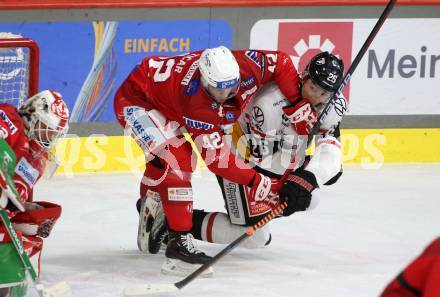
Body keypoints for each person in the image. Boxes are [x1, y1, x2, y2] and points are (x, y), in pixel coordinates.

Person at [114, 45, 306, 275]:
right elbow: (217, 160)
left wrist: (297, 105)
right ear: (204, 82)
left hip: (160, 93)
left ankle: (154, 212)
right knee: (178, 159)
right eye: (217, 89)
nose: (225, 95)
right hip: (136, 101)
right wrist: (258, 181)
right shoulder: (197, 103)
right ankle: (178, 245)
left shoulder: (247, 65)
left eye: (230, 87)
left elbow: (282, 62)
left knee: (163, 159)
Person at [149, 51, 347, 250]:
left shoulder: (331, 108)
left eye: (324, 93)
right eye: (313, 87)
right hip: (238, 159)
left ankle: (174, 221)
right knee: (256, 236)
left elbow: (331, 150)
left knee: (311, 198)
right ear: (304, 76)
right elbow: (263, 163)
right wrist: (285, 189)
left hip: (275, 158)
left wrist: (310, 176)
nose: (316, 97)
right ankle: (171, 223)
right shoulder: (270, 105)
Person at [0, 90, 69, 297]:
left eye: (54, 134)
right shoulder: (9, 119)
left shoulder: (36, 156)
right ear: (33, 116)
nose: (50, 138)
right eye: (48, 130)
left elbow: (16, 194)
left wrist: (22, 206)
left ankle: (13, 286)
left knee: (37, 223)